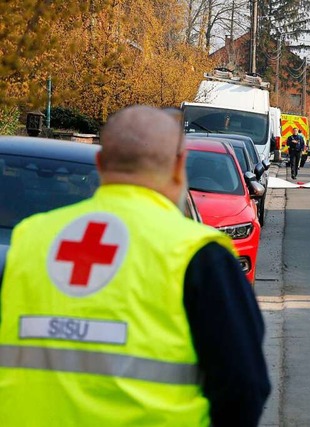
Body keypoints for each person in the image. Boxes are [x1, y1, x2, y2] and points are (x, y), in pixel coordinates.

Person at [0, 106, 270, 426]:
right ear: (179, 166)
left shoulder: (31, 240)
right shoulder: (197, 254)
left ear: (100, 164)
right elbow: (244, 387)